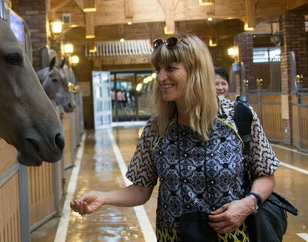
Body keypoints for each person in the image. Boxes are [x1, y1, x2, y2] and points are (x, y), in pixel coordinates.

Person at [70, 34, 279, 242]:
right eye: (158, 69)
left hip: (232, 236)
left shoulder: (239, 116)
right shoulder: (156, 127)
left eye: (170, 68)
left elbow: (266, 174)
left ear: (196, 71)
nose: (160, 77)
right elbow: (141, 189)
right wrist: (104, 197)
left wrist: (249, 203)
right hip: (173, 237)